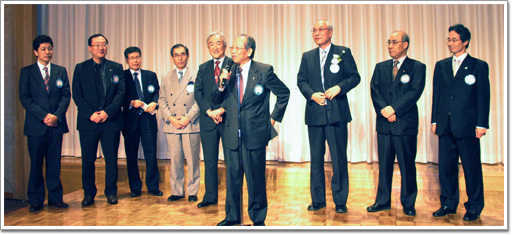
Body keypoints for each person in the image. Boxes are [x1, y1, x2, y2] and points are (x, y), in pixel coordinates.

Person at [212, 34, 290, 226]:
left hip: (254, 133)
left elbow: (284, 93)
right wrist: (222, 83)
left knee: (255, 179)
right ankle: (232, 217)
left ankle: (257, 219)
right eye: (232, 48)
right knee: (232, 179)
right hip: (231, 133)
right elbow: (215, 98)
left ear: (249, 51)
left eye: (238, 48)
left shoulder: (263, 70)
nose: (233, 51)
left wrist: (272, 118)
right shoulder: (227, 70)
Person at [297, 19, 360, 213]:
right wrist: (311, 94)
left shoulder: (343, 52)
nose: (316, 33)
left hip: (337, 114)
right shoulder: (307, 56)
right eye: (314, 30)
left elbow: (354, 77)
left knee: (339, 158)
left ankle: (340, 201)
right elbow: (301, 80)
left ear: (330, 32)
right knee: (316, 158)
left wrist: (339, 88)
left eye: (321, 29)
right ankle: (318, 200)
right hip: (315, 113)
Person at [431, 24, 490, 222]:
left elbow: (483, 96)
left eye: (454, 39)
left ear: (465, 42)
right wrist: (434, 120)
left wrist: (482, 124)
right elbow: (437, 96)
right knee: (446, 167)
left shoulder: (478, 66)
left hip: (467, 126)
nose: (450, 43)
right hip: (445, 125)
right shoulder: (441, 65)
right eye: (449, 39)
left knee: (471, 168)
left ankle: (474, 206)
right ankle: (448, 203)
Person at [368, 31, 426, 216]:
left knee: (406, 165)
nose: (390, 45)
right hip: (385, 124)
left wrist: (394, 109)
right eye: (389, 42)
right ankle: (383, 200)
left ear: (405, 44)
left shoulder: (417, 67)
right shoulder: (381, 67)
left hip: (404, 124)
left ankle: (408, 203)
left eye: (394, 42)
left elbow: (414, 92)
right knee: (384, 165)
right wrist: (385, 110)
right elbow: (374, 90)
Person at [19, 35, 71, 212]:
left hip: (56, 125)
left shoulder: (60, 70)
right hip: (36, 126)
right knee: (36, 164)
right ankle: (35, 199)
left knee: (54, 163)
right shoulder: (27, 72)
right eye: (43, 49)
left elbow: (66, 95)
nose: (48, 52)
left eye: (50, 48)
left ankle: (56, 198)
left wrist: (56, 116)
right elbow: (25, 99)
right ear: (36, 52)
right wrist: (44, 116)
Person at [72, 34, 125, 206]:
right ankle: (88, 193)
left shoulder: (116, 67)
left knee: (111, 159)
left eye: (103, 44)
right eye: (97, 45)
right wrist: (91, 114)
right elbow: (77, 94)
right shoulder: (81, 68)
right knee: (88, 159)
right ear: (90, 48)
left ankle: (111, 191)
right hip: (88, 121)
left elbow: (121, 93)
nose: (101, 48)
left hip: (110, 121)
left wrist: (106, 113)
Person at [194, 32, 233, 208]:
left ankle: (232, 198)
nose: (215, 47)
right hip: (208, 120)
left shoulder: (234, 64)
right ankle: (210, 196)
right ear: (208, 47)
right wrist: (210, 111)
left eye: (218, 43)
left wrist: (221, 109)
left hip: (227, 119)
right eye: (211, 44)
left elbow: (235, 92)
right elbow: (198, 93)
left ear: (224, 46)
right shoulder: (203, 68)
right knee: (210, 161)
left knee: (231, 161)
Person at [158, 44, 201, 202]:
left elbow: (200, 100)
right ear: (172, 58)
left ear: (188, 56)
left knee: (192, 160)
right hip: (173, 124)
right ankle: (177, 191)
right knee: (175, 160)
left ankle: (192, 191)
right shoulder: (166, 76)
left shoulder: (196, 75)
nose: (180, 58)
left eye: (183, 54)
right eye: (176, 55)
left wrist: (188, 117)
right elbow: (162, 100)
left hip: (190, 123)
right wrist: (170, 118)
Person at [121, 47, 163, 198]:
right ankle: (135, 187)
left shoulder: (150, 75)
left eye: (137, 57)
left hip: (148, 120)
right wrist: (131, 102)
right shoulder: (122, 76)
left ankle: (153, 186)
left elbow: (158, 92)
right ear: (127, 60)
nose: (135, 60)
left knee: (151, 153)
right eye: (132, 58)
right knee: (131, 155)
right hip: (130, 121)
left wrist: (155, 103)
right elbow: (118, 98)